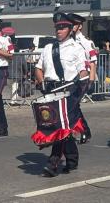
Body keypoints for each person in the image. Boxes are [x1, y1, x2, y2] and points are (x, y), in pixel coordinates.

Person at [33, 12, 88, 177]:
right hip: (50, 91)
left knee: (61, 126)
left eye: (63, 27)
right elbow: (38, 68)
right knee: (57, 126)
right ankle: (72, 160)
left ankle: (53, 162)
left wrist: (82, 85)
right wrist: (41, 82)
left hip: (68, 91)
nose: (59, 30)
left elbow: (83, 71)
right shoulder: (49, 48)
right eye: (57, 27)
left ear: (70, 29)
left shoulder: (77, 48)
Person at [67, 13, 97, 144]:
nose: (72, 26)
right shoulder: (67, 40)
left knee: (72, 106)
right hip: (70, 78)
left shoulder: (86, 42)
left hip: (82, 78)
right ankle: (83, 131)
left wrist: (91, 80)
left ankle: (81, 131)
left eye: (74, 24)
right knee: (72, 107)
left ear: (80, 26)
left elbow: (93, 61)